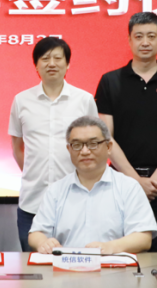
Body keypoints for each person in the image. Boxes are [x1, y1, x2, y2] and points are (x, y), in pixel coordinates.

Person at [95, 12, 157, 252]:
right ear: (129, 40)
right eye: (138, 36)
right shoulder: (110, 81)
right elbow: (106, 137)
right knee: (118, 251)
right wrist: (135, 181)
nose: (145, 42)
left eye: (151, 36)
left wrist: (154, 181)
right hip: (120, 181)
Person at [8, 37, 98, 251]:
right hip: (32, 203)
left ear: (68, 64)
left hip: (76, 202)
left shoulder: (84, 100)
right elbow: (17, 147)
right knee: (33, 265)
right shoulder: (21, 100)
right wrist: (34, 172)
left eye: (58, 58)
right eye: (45, 58)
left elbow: (95, 147)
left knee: (76, 265)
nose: (52, 63)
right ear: (36, 65)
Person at [28, 116, 157, 255]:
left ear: (108, 147)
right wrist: (43, 243)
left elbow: (143, 238)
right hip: (67, 266)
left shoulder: (129, 187)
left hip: (113, 265)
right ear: (69, 149)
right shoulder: (56, 190)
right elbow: (36, 233)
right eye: (77, 145)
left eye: (93, 143)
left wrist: (110, 247)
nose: (84, 151)